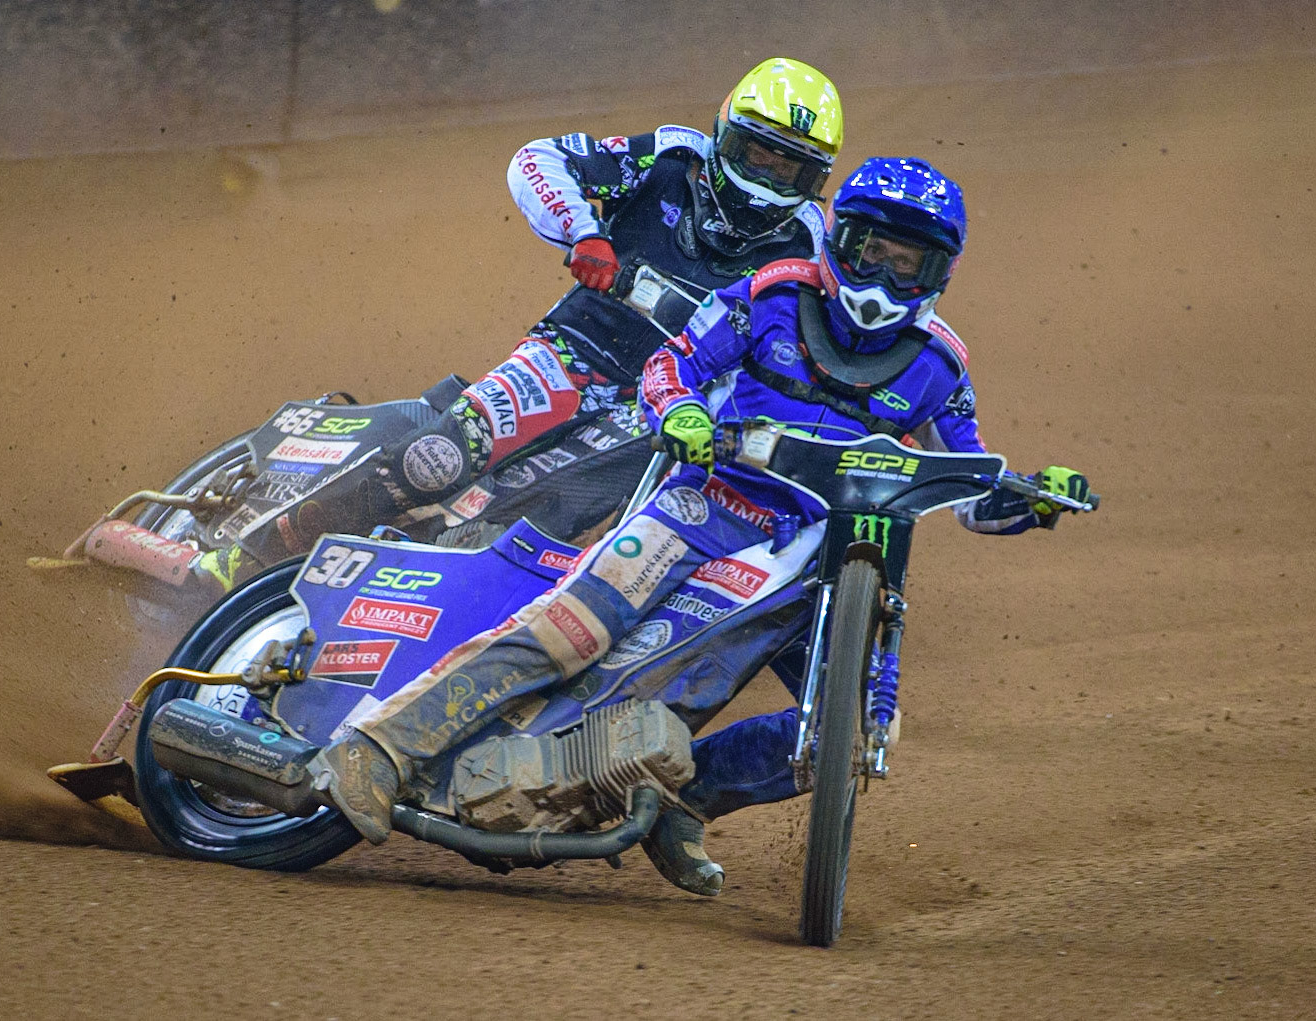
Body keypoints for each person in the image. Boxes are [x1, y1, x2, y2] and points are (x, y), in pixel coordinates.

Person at [305, 156, 1093, 896]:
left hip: (813, 556)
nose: (881, 276)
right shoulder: (771, 293)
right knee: (570, 633)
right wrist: (679, 409)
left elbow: (970, 489)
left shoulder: (939, 366)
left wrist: (1030, 500)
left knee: (841, 733)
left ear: (937, 274)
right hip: (702, 505)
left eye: (906, 263)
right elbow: (668, 363)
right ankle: (374, 750)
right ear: (838, 239)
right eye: (868, 250)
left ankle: (682, 799)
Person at [189, 57, 845, 592]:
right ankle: (248, 558)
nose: (764, 179)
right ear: (724, 134)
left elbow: (825, 354)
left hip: (660, 402)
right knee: (434, 457)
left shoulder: (812, 254)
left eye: (786, 167)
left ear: (812, 179)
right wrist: (583, 231)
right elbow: (539, 159)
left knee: (551, 513)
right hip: (573, 353)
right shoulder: (670, 159)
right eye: (755, 154)